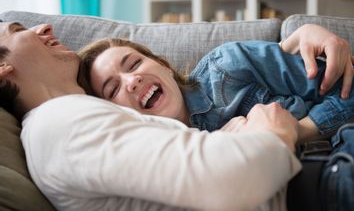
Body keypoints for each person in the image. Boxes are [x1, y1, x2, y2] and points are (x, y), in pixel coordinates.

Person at [0, 21, 352, 211]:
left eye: (134, 63)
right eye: (18, 31)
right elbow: (229, 178)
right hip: (320, 183)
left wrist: (298, 37)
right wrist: (277, 129)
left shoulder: (76, 117)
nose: (42, 28)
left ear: (163, 64)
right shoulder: (59, 125)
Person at [78, 26, 353, 143]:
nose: (132, 80)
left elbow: (349, 89)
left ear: (162, 64)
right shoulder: (153, 161)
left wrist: (297, 131)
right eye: (112, 89)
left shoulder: (227, 66)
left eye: (134, 64)